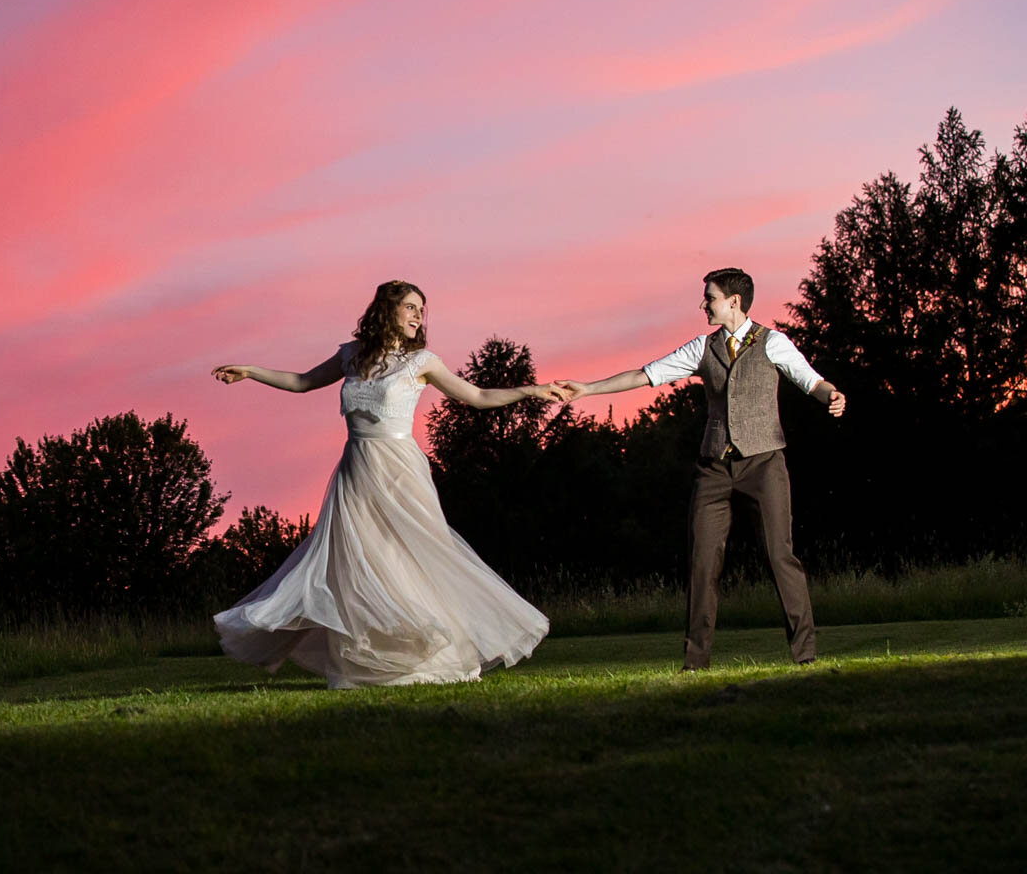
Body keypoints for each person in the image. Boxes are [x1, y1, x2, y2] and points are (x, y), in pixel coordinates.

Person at [211, 279, 555, 689]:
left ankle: (432, 655)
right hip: (357, 468)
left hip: (400, 469)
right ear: (386, 310)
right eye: (410, 307)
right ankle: (368, 661)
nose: (418, 316)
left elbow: (477, 397)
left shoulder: (422, 361)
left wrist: (532, 390)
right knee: (358, 560)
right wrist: (250, 371)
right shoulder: (350, 355)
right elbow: (302, 382)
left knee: (411, 554)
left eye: (421, 310)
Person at [554, 267, 846, 670]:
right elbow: (646, 374)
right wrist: (588, 388)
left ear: (733, 302)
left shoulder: (774, 343)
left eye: (709, 297)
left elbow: (811, 381)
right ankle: (695, 662)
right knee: (703, 562)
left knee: (780, 556)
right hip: (714, 469)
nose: (703, 304)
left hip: (764, 463)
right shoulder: (701, 349)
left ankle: (805, 654)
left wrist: (832, 396)